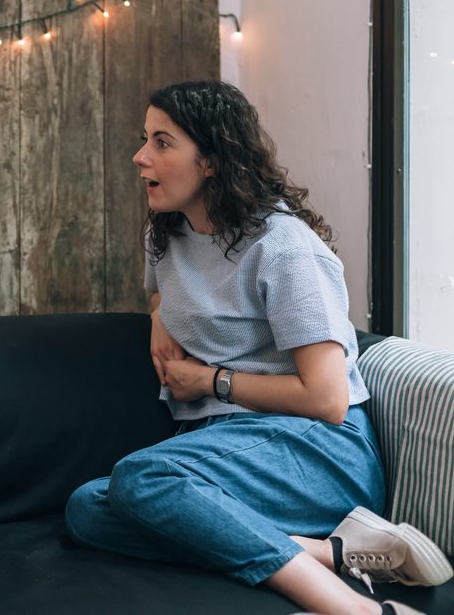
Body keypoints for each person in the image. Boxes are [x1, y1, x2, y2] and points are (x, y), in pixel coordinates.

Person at [64, 81, 452, 615]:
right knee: (86, 509)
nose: (139, 156)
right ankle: (333, 552)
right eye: (144, 139)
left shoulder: (283, 248)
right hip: (229, 447)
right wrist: (158, 318)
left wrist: (212, 382)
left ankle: (357, 608)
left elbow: (328, 399)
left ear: (212, 162)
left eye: (162, 142)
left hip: (315, 450)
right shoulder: (167, 233)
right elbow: (161, 293)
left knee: (142, 477)